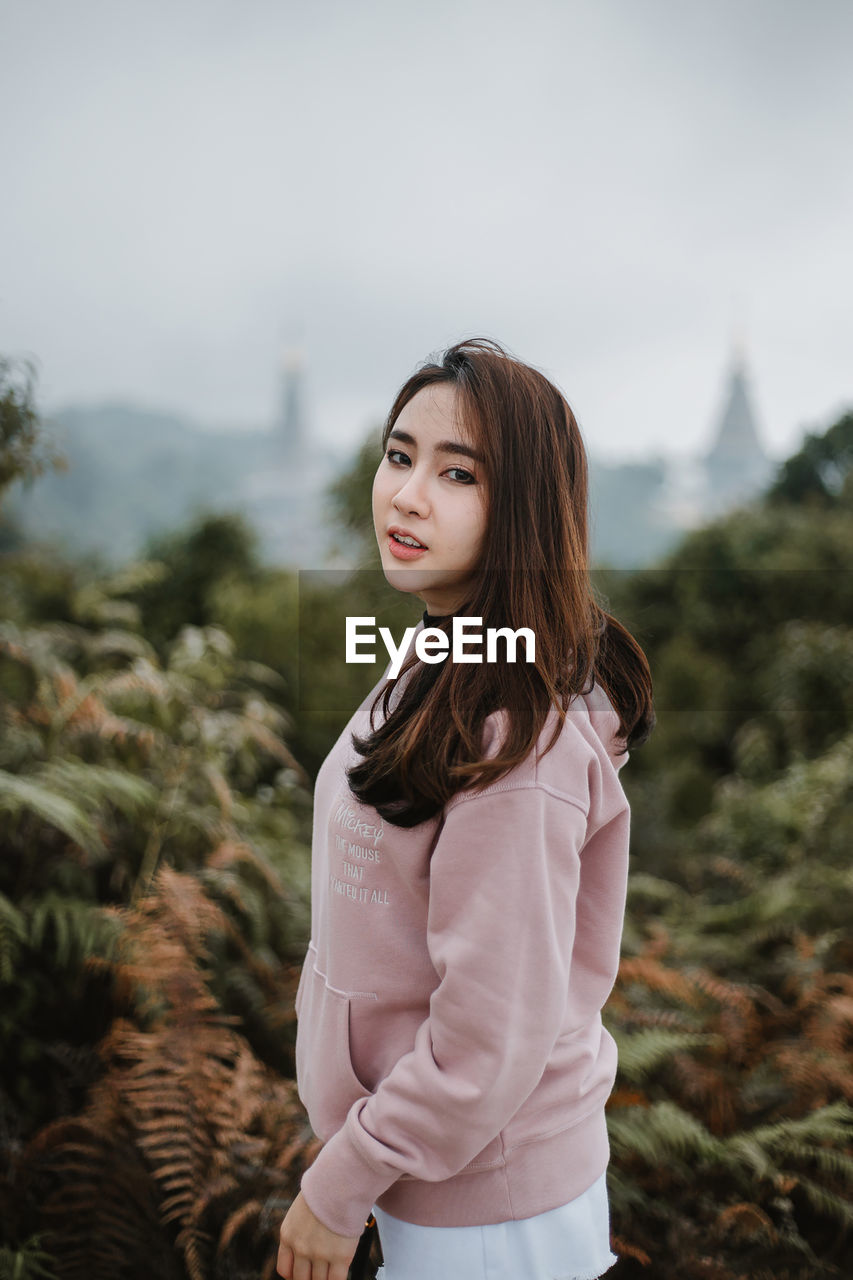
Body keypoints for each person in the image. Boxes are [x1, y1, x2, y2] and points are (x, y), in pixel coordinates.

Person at [276, 336, 655, 1280]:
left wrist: (339, 1184)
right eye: (399, 455)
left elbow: (486, 1041)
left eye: (457, 474)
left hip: (489, 1210)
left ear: (521, 509)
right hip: (430, 1174)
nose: (406, 496)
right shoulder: (443, 656)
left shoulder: (514, 737)